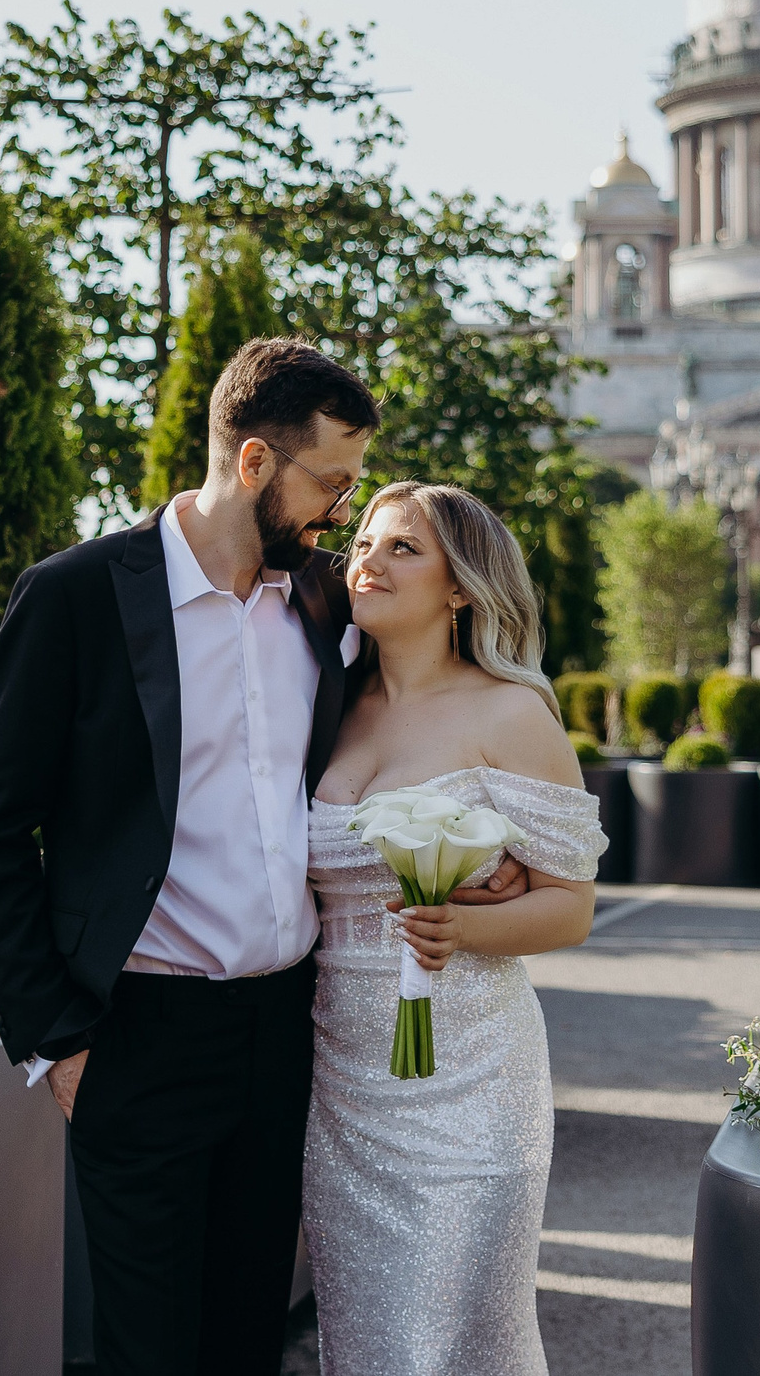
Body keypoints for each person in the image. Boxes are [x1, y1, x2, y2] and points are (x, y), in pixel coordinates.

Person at [0, 339, 530, 1376]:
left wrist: (479, 856)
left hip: (284, 1033)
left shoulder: (323, 606)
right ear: (256, 463)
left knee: (245, 1342)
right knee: (147, 1352)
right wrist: (54, 1044)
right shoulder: (76, 597)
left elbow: (403, 741)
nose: (343, 515)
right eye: (331, 483)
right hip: (135, 1034)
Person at [304, 482, 603, 1375]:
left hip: (472, 1081)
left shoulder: (510, 711)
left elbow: (572, 905)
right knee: (366, 1340)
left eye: (403, 548)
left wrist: (463, 929)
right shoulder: (326, 706)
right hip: (341, 1081)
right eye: (363, 542)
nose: (367, 560)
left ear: (463, 587)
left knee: (449, 1341)